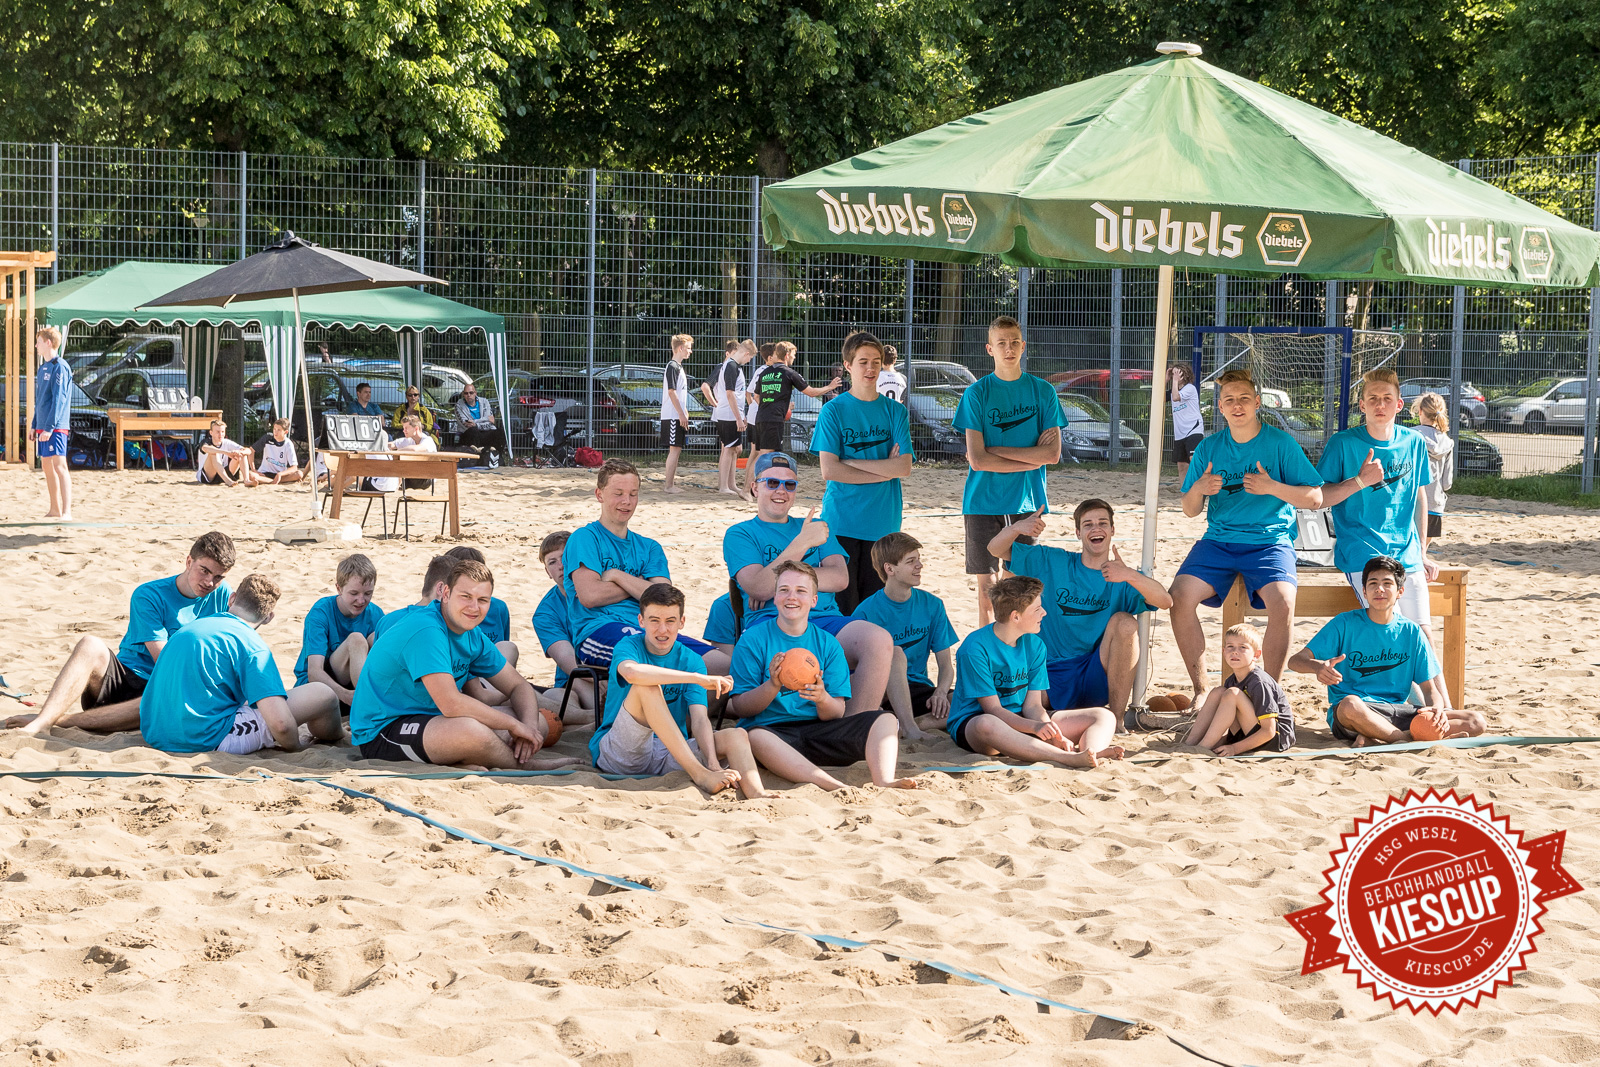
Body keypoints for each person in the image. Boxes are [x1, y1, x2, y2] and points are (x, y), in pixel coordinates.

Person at [1169, 367, 1324, 704]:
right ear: (1220, 408)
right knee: (1178, 597)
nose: (1236, 405)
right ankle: (1200, 690)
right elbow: (1190, 509)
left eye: (1243, 399)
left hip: (1269, 541)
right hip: (1219, 541)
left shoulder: (1280, 443)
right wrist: (1199, 488)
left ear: (1257, 403)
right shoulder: (1210, 447)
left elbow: (1314, 497)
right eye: (1229, 401)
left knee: (1283, 603)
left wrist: (1272, 487)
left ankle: (1270, 692)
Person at [350, 559, 580, 768]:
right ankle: (523, 766)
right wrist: (512, 726)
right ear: (446, 593)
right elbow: (451, 703)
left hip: (433, 718)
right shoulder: (426, 629)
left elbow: (518, 686)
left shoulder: (471, 633)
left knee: (536, 720)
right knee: (470, 732)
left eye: (482, 600)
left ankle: (464, 758)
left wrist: (527, 726)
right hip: (384, 728)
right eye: (466, 597)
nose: (474, 607)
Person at [11, 532, 236, 735]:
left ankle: (58, 720)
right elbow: (166, 660)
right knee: (90, 644)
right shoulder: (149, 594)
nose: (209, 582)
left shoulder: (223, 595)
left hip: (165, 693)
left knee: (168, 694)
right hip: (123, 683)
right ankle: (43, 721)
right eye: (204, 571)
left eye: (218, 577)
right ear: (189, 562)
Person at [723, 451, 893, 716]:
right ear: (755, 487)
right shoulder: (741, 533)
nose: (781, 490)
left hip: (824, 620)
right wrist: (803, 544)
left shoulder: (818, 527)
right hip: (772, 623)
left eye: (789, 484)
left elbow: (840, 578)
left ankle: (853, 726)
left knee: (879, 639)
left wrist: (776, 579)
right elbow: (757, 587)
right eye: (772, 483)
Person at [728, 561, 916, 790]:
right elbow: (741, 707)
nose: (791, 597)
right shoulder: (752, 640)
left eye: (801, 591)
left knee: (885, 719)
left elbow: (837, 712)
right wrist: (772, 685)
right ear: (774, 597)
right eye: (784, 590)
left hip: (820, 731)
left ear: (814, 600)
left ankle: (884, 780)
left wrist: (822, 698)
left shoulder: (828, 644)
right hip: (773, 733)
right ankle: (829, 784)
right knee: (754, 737)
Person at [989, 498, 1173, 731]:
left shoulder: (1122, 575)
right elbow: (994, 548)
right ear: (1078, 533)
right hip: (1050, 670)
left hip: (1096, 669)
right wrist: (1016, 529)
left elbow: (1165, 601)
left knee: (1125, 622)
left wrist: (1130, 575)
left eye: (1102, 523)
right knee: (1006, 711)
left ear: (1112, 530)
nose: (1096, 528)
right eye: (1088, 524)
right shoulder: (1053, 561)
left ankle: (1116, 720)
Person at [1316, 369, 1442, 700]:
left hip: (1407, 552)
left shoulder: (1413, 442)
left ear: (1399, 404)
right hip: (1362, 552)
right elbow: (1319, 498)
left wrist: (1424, 551)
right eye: (1372, 398)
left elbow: (1420, 496)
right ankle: (1412, 711)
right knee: (1394, 629)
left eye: (1387, 398)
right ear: (1362, 404)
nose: (1380, 404)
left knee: (1423, 632)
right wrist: (1359, 481)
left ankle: (1444, 707)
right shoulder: (1343, 443)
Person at [592, 582, 768, 798]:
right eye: (654, 621)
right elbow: (633, 674)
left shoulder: (691, 660)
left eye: (670, 621)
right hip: (624, 752)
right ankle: (700, 774)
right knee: (646, 687)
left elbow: (700, 719)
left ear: (681, 622)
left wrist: (713, 764)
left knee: (737, 734)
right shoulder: (628, 646)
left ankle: (758, 795)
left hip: (672, 751)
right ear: (641, 621)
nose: (662, 630)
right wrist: (695, 678)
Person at [1288, 555, 1484, 745]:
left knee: (1476, 721)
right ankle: (1404, 739)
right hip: (1359, 711)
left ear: (1400, 591)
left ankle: (1380, 737)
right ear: (1364, 591)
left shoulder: (1412, 631)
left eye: (1387, 583)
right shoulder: (1344, 623)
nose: (1379, 589)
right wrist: (1318, 667)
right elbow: (1295, 661)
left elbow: (1430, 690)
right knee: (1349, 704)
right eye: (1373, 583)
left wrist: (1437, 710)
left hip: (1399, 710)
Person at [139, 574, 343, 756]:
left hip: (157, 732)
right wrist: (296, 747)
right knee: (323, 695)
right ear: (268, 617)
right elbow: (280, 725)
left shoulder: (191, 628)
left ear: (232, 598)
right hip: (206, 739)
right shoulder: (252, 646)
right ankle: (339, 735)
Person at [945, 576, 1123, 768]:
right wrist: (1037, 728)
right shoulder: (974, 649)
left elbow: (1033, 706)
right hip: (978, 726)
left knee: (1103, 716)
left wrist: (1053, 734)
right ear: (1015, 617)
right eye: (1037, 609)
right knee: (986, 723)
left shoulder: (1035, 645)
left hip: (1023, 719)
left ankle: (1091, 752)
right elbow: (993, 710)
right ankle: (1064, 757)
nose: (1044, 613)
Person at [956, 314, 1066, 625]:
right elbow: (978, 461)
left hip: (1027, 501)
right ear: (989, 349)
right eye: (1001, 343)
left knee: (1018, 590)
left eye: (1014, 342)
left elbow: (1053, 454)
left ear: (1023, 346)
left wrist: (996, 450)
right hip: (982, 501)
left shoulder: (1043, 391)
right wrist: (1033, 456)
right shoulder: (977, 393)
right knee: (987, 592)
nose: (1009, 348)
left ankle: (1016, 658)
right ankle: (988, 661)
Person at [565, 459, 712, 668]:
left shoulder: (649, 547)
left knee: (720, 664)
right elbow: (591, 596)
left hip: (652, 628)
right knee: (653, 663)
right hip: (600, 629)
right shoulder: (585, 538)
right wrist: (641, 585)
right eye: (618, 494)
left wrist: (618, 576)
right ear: (599, 495)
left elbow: (666, 599)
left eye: (633, 494)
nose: (627, 501)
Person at [813, 331, 915, 613]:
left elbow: (903, 467)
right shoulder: (833, 411)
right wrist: (885, 471)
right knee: (843, 608)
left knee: (874, 610)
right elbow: (830, 470)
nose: (870, 368)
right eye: (862, 362)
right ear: (848, 365)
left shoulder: (895, 411)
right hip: (841, 522)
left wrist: (852, 461)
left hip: (883, 523)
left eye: (875, 361)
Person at [850, 533, 956, 742]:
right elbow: (856, 671)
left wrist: (941, 693)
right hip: (882, 691)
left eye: (918, 559)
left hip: (916, 688)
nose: (920, 565)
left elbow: (946, 665)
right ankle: (906, 726)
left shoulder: (933, 604)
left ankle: (908, 725)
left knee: (967, 702)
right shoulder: (865, 612)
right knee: (892, 655)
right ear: (890, 569)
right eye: (911, 561)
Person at [1183, 623, 1294, 755]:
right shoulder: (1231, 680)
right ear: (1224, 651)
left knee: (1232, 694)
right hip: (1246, 730)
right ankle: (1191, 743)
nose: (1235, 652)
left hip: (1273, 740)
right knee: (1218, 691)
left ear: (1256, 655)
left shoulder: (1259, 682)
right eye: (1230, 647)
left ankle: (1202, 748)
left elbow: (1269, 731)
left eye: (1243, 647)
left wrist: (1234, 748)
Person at [293, 553, 384, 708]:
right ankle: (368, 704)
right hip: (320, 688)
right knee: (356, 639)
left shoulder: (375, 613)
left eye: (368, 593)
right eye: (354, 593)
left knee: (376, 637)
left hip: (353, 688)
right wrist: (345, 695)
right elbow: (314, 672)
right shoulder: (321, 612)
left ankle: (371, 702)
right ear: (339, 589)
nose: (361, 600)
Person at [532, 531, 597, 723]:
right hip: (576, 679)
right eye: (552, 562)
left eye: (565, 557)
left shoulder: (603, 592)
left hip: (618, 671)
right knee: (563, 692)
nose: (561, 566)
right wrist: (605, 682)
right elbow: (568, 661)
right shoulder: (545, 613)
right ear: (547, 572)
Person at [749, 341, 838, 479]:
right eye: (794, 354)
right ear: (787, 355)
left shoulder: (765, 372)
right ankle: (753, 487)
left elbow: (756, 395)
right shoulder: (788, 373)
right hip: (773, 419)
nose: (794, 358)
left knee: (763, 453)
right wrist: (830, 387)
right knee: (766, 455)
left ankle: (755, 487)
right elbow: (811, 392)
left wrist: (768, 405)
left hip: (761, 417)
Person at [32, 325, 73, 521]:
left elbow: (60, 399)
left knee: (60, 465)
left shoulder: (60, 366)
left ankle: (67, 511)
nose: (36, 345)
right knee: (46, 466)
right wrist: (34, 425)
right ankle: (54, 508)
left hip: (56, 426)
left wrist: (49, 427)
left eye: (38, 341)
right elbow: (40, 399)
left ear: (48, 343)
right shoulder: (43, 368)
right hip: (43, 424)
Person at [702, 339, 753, 496]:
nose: (749, 361)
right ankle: (724, 485)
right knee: (728, 448)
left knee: (731, 450)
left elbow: (736, 395)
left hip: (731, 413)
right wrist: (738, 417)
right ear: (746, 353)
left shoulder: (733, 366)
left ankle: (730, 484)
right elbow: (730, 394)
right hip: (728, 415)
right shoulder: (730, 366)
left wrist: (741, 415)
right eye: (750, 358)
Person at [1414, 392, 1454, 547]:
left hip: (1412, 502)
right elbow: (1447, 483)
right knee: (1422, 550)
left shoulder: (1411, 435)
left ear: (1420, 411)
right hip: (1435, 504)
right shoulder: (1448, 442)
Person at [660, 333, 693, 493]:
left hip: (677, 414)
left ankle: (670, 484)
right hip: (672, 414)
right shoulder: (672, 366)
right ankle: (669, 485)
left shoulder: (678, 367)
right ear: (680, 348)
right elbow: (672, 392)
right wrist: (680, 413)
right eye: (688, 348)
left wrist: (684, 411)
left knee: (677, 448)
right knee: (674, 449)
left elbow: (679, 394)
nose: (690, 351)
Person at [454, 382, 505, 465]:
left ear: (475, 393)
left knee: (500, 432)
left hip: (485, 431)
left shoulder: (484, 402)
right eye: (466, 393)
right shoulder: (458, 406)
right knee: (473, 431)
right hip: (469, 434)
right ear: (463, 394)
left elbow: (491, 422)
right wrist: (485, 419)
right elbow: (466, 424)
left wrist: (475, 423)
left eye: (471, 393)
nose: (469, 395)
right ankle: (476, 459)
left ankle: (497, 456)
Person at [199, 419, 259, 487]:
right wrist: (226, 452)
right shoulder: (206, 441)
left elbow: (248, 451)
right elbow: (205, 448)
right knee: (213, 453)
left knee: (242, 454)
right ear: (211, 433)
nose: (220, 434)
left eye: (222, 432)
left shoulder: (226, 442)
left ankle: (247, 480)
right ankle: (228, 481)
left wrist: (239, 452)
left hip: (223, 473)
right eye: (218, 432)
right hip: (208, 476)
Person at [1169, 364, 1204, 481]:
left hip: (1193, 430)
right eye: (1173, 373)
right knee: (1182, 466)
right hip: (1180, 433)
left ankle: (1200, 489)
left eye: (1177, 373)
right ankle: (1185, 493)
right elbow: (1156, 397)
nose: (1174, 376)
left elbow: (1175, 397)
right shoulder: (1173, 390)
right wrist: (1165, 379)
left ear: (1184, 375)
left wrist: (1174, 381)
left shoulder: (1189, 388)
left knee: (1194, 461)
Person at [254, 418, 304, 484]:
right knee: (251, 475)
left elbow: (294, 467)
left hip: (280, 475)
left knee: (299, 474)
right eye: (274, 429)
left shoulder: (288, 444)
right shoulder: (267, 438)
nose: (275, 432)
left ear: (285, 432)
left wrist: (280, 474)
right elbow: (251, 450)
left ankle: (269, 481)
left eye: (279, 430)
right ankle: (272, 481)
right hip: (264, 473)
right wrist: (254, 469)